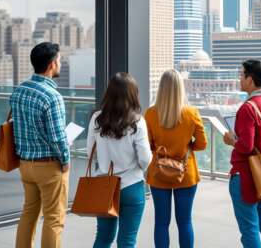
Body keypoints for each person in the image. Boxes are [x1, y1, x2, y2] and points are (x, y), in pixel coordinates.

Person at [10, 42, 70, 248]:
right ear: (52, 64)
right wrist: (66, 160)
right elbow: (57, 137)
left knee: (28, 214)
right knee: (54, 218)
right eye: (60, 60)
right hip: (48, 166)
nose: (60, 63)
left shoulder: (19, 91)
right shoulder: (53, 96)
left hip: (25, 164)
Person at [87, 72, 152, 248]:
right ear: (133, 94)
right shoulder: (137, 121)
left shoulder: (96, 119)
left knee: (103, 238)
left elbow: (89, 153)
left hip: (104, 185)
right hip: (131, 186)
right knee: (127, 241)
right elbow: (146, 159)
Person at [223, 59, 261, 248]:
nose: (239, 78)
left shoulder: (247, 108)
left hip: (246, 175)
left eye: (241, 74)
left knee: (249, 229)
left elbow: (246, 146)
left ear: (250, 79)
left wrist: (231, 140)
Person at [145, 70, 207, 248]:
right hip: (186, 173)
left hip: (158, 174)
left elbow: (147, 146)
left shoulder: (150, 114)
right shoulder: (191, 113)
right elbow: (202, 144)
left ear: (161, 89)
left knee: (161, 223)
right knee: (185, 222)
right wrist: (187, 147)